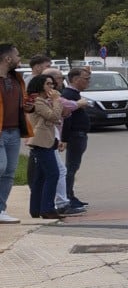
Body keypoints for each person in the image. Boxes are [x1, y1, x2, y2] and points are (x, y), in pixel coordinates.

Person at [25, 72, 66, 220]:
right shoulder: (38, 101)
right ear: (39, 85)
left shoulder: (43, 101)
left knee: (40, 177)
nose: (52, 86)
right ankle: (47, 208)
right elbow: (54, 116)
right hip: (41, 142)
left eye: (52, 84)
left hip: (47, 141)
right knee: (53, 174)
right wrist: (57, 100)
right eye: (48, 84)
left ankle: (36, 209)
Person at [60, 66, 93, 215]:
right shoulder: (68, 94)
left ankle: (70, 195)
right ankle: (67, 198)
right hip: (74, 136)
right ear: (75, 79)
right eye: (86, 79)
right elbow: (67, 118)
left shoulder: (75, 94)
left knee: (73, 167)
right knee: (71, 168)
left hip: (79, 135)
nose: (88, 82)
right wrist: (65, 139)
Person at [0, 44, 23, 223]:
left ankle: (1, 210)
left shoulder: (16, 79)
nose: (19, 58)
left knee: (9, 172)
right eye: (17, 55)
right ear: (7, 59)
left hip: (14, 131)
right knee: (1, 166)